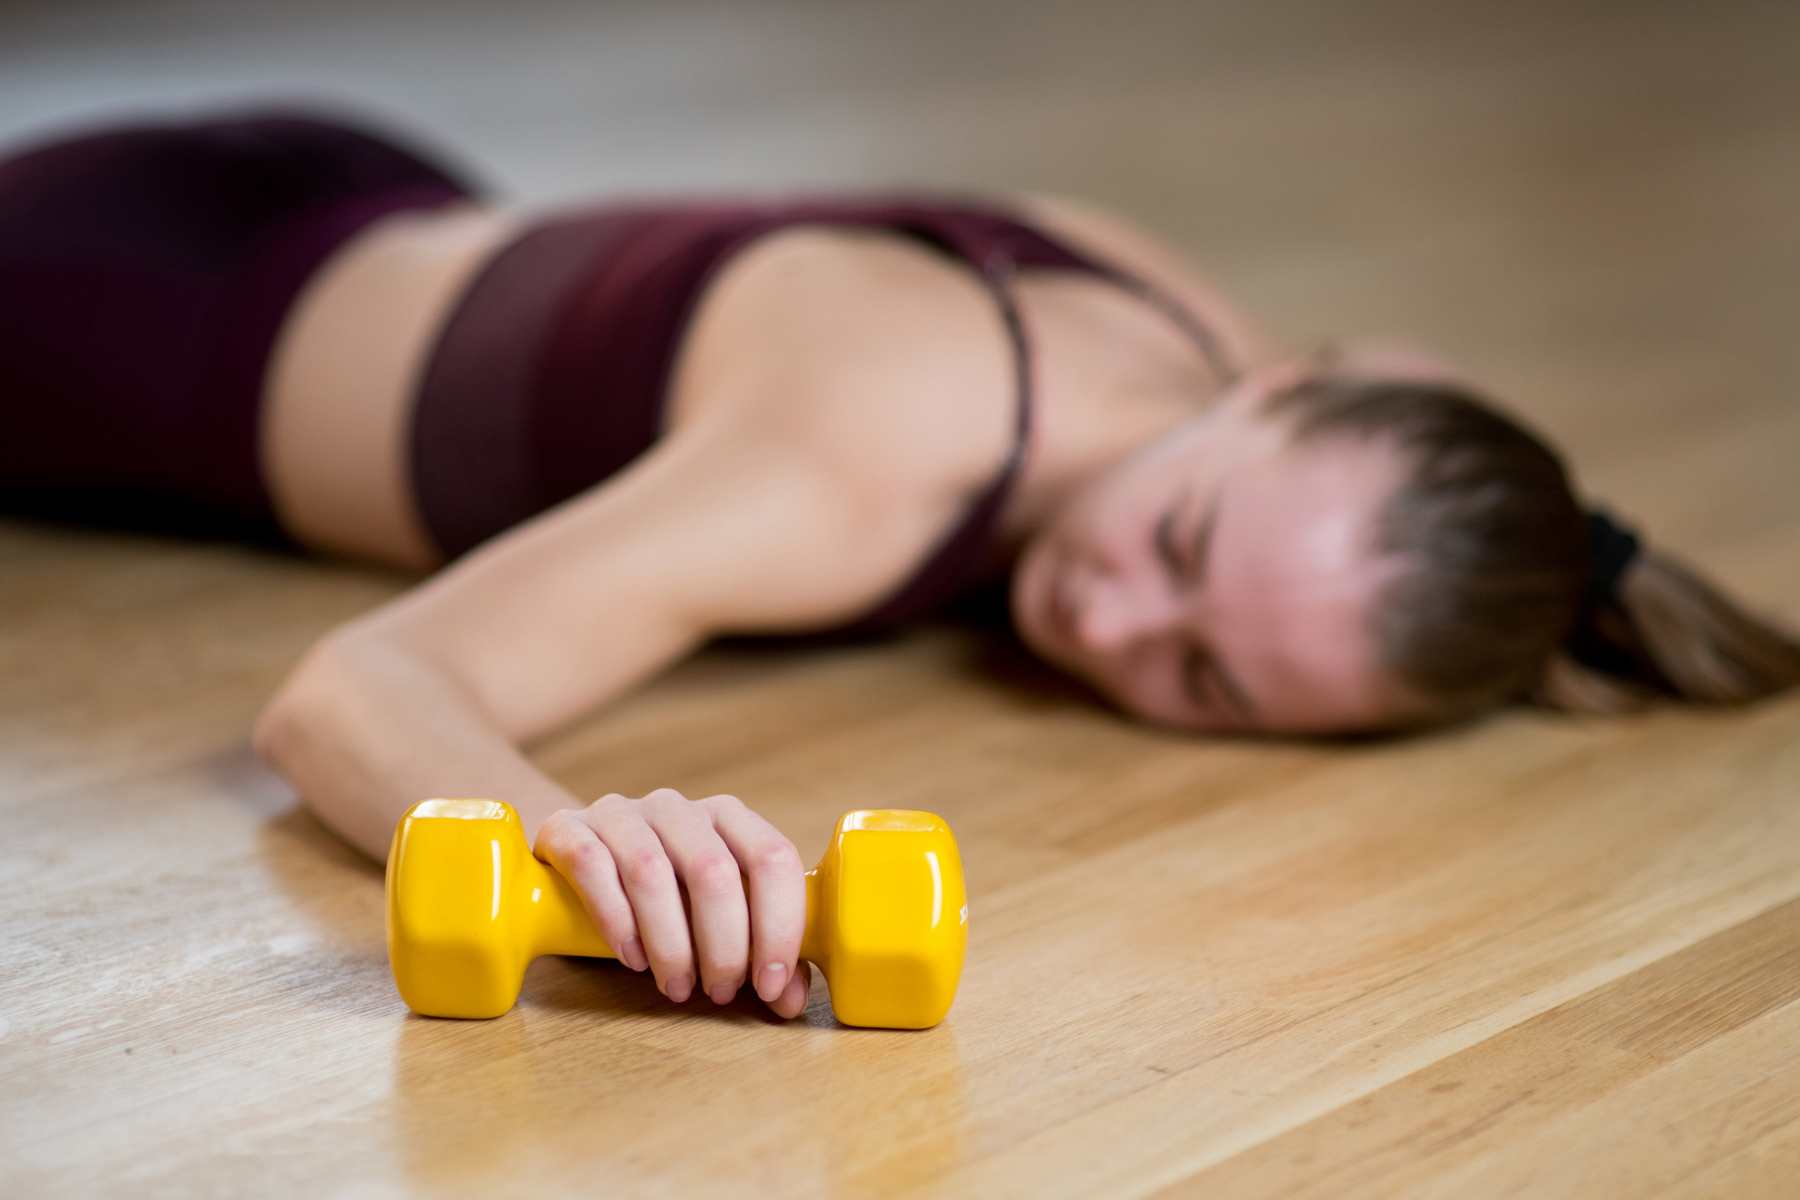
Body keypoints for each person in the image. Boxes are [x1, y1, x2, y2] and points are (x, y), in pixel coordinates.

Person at [5, 110, 1797, 1018]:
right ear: (1290, 381)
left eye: (1207, 678)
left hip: (366, 187)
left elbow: (1416, 436)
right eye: (1177, 545)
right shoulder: (877, 451)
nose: (1108, 613)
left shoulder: (1193, 338)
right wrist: (584, 843)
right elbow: (350, 693)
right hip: (122, 311)